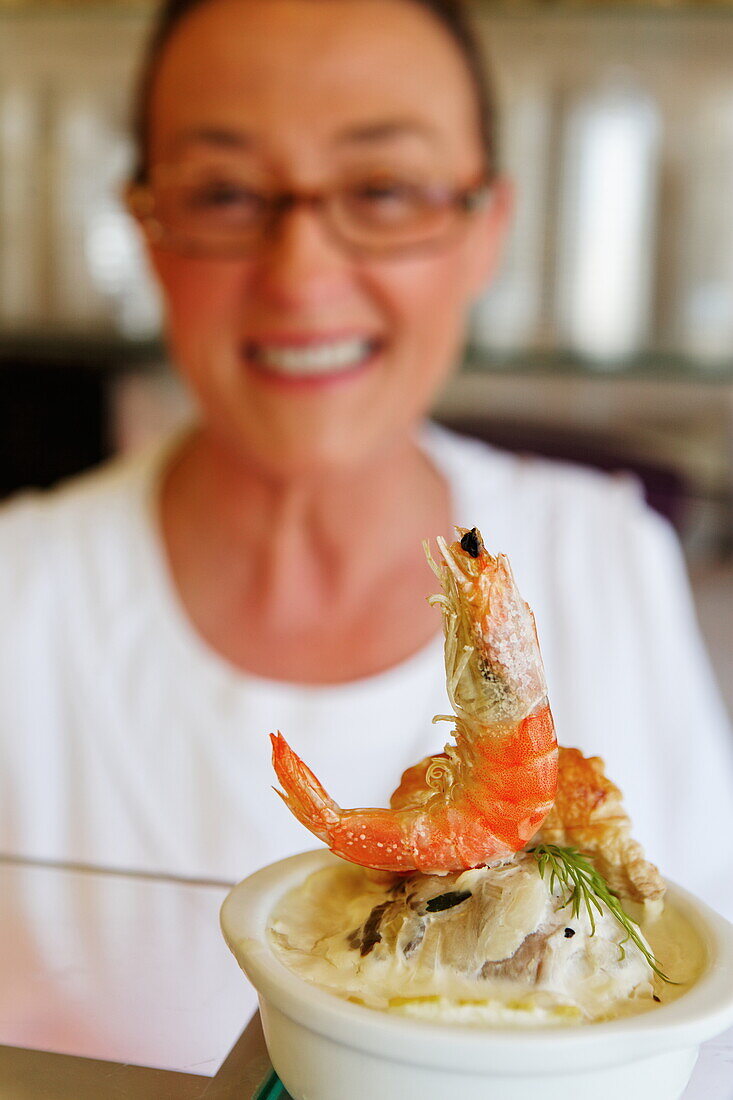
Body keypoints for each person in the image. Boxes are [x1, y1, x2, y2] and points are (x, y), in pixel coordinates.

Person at [1, 0, 731, 932]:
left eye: (383, 188)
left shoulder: (609, 555)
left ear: (485, 230)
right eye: (224, 193)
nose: (300, 272)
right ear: (149, 230)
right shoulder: (14, 596)